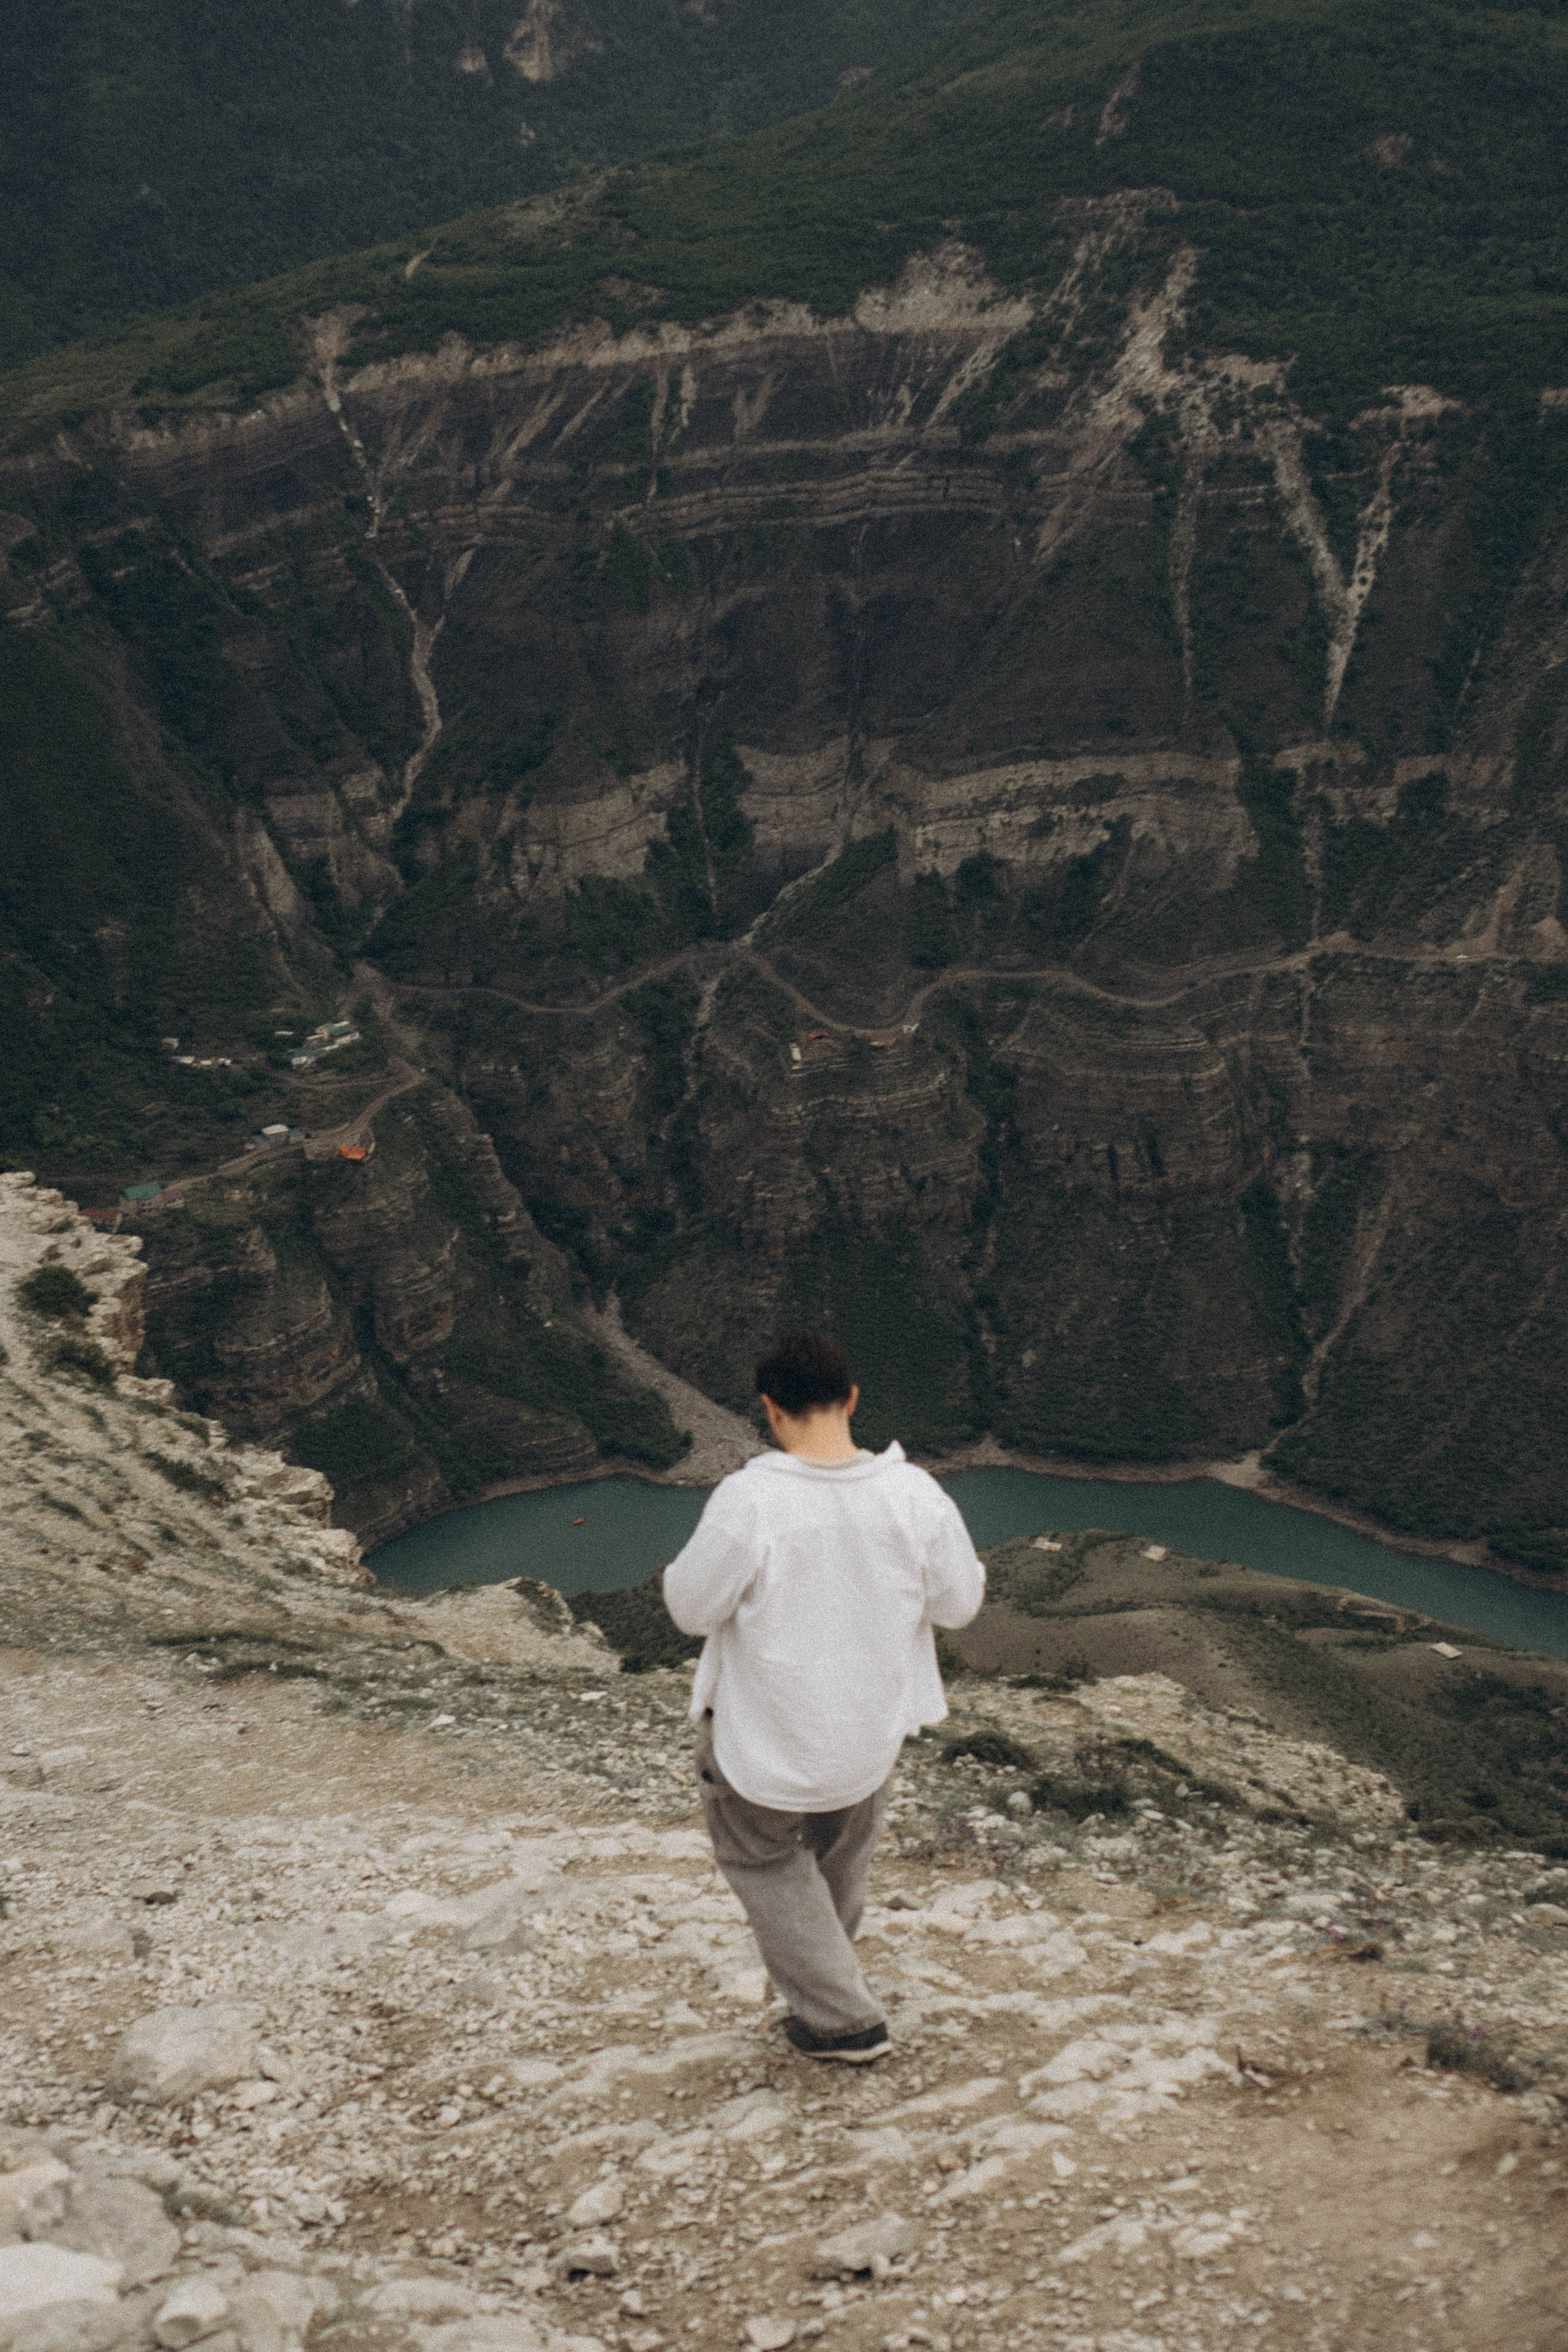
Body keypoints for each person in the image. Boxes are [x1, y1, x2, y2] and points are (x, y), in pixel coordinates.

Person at [662, 1332, 985, 2063]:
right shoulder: (915, 1495)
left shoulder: (751, 1499)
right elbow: (960, 1604)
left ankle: (843, 2018)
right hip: (867, 1737)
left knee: (761, 1857)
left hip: (762, 1741)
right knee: (838, 1860)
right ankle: (828, 1984)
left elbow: (690, 1608)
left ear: (771, 1410)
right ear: (852, 1400)